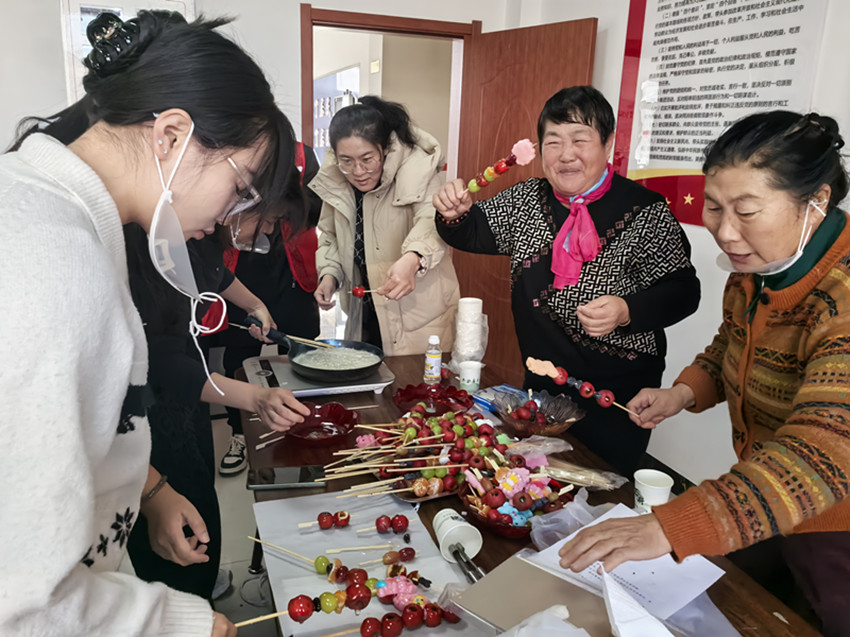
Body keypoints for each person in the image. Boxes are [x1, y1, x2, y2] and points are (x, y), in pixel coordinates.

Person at [0, 10, 307, 636]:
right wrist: (180, 624)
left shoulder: (53, 214)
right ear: (169, 135)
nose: (231, 216)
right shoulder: (51, 261)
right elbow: (26, 599)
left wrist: (146, 489)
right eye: (240, 186)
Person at [558, 111, 850, 636]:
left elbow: (826, 449)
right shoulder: (756, 270)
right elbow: (729, 348)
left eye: (748, 211)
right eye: (714, 209)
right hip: (770, 497)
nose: (726, 232)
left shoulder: (843, 296)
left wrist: (674, 525)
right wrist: (684, 393)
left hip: (836, 523)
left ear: (817, 202)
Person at [433, 86, 700, 475]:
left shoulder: (645, 210)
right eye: (553, 142)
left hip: (620, 386)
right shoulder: (527, 198)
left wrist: (627, 309)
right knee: (538, 480)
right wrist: (453, 213)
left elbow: (684, 291)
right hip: (543, 378)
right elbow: (469, 230)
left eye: (580, 139)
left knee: (603, 483)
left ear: (608, 143)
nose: (566, 154)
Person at [125, 225, 308, 599]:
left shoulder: (190, 231)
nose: (267, 230)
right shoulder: (135, 247)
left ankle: (200, 583)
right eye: (264, 217)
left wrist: (252, 303)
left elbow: (211, 270)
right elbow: (164, 364)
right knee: (177, 512)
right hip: (148, 410)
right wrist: (254, 398)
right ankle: (182, 596)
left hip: (184, 393)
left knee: (201, 489)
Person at [311, 96, 460, 355]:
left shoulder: (418, 168)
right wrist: (329, 275)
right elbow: (331, 236)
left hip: (418, 317)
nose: (358, 171)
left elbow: (432, 220)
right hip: (364, 312)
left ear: (385, 149)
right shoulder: (337, 181)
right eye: (346, 161)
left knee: (416, 389)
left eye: (368, 159)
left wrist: (413, 258)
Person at [210, 142, 322, 475]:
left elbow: (315, 210)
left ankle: (306, 429)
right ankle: (241, 433)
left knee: (301, 355)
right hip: (240, 270)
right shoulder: (224, 181)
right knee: (240, 356)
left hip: (289, 272)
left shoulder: (304, 157)